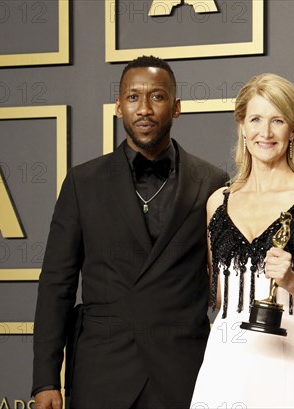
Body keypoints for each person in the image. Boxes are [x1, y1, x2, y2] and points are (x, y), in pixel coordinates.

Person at [32, 56, 228, 409]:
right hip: (104, 370)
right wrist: (46, 379)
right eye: (133, 97)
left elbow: (231, 268)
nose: (145, 109)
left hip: (183, 370)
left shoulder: (213, 183)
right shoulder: (83, 182)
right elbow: (56, 284)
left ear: (177, 107)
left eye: (157, 96)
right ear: (119, 107)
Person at [191, 73, 294, 408]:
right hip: (225, 364)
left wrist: (292, 280)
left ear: (293, 130)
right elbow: (214, 292)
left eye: (278, 120)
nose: (265, 132)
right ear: (242, 127)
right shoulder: (218, 201)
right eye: (256, 119)